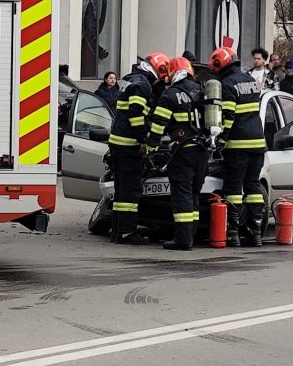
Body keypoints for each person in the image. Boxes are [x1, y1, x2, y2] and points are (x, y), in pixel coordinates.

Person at [146, 56, 206, 251]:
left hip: (182, 151)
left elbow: (158, 124)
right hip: (203, 150)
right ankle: (191, 235)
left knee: (182, 194)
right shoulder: (202, 90)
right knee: (194, 193)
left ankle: (183, 240)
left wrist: (150, 147)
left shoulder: (170, 95)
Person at [106, 52, 168, 244]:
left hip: (118, 143)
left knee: (121, 189)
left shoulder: (131, 79)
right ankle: (127, 232)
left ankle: (117, 231)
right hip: (128, 145)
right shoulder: (142, 85)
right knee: (130, 191)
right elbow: (136, 115)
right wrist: (143, 139)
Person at [211, 47, 267, 247]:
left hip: (238, 144)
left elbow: (228, 116)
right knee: (253, 186)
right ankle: (255, 233)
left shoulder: (227, 84)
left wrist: (221, 140)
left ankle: (233, 234)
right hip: (258, 142)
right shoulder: (250, 80)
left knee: (234, 188)